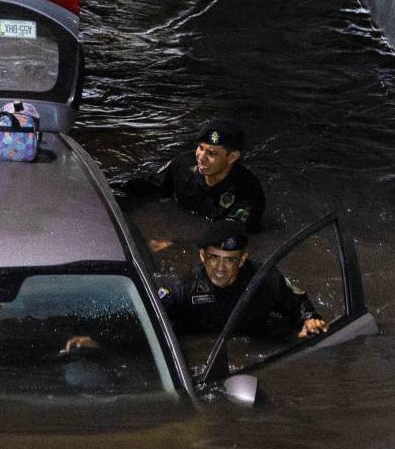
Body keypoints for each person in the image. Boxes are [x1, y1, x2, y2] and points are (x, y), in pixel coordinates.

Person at [158, 220, 327, 339]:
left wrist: (310, 319)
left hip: (256, 334)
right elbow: (154, 322)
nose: (220, 268)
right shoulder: (183, 288)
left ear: (243, 259)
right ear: (202, 256)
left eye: (230, 260)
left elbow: (297, 303)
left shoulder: (264, 280)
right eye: (214, 258)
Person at [123, 117, 265, 251]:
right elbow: (150, 186)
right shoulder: (183, 165)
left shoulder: (249, 192)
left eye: (212, 153)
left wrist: (176, 243)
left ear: (232, 157)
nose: (201, 158)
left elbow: (227, 231)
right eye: (201, 148)